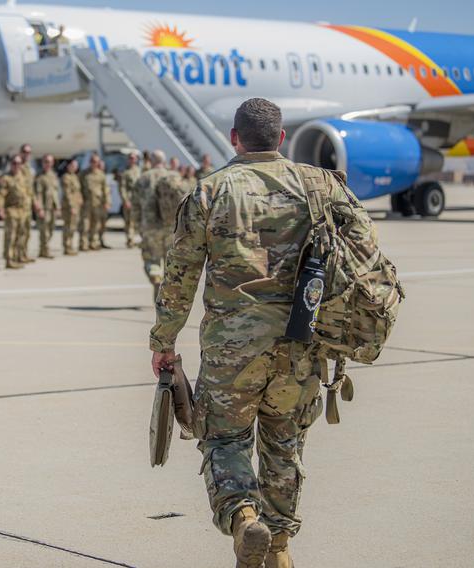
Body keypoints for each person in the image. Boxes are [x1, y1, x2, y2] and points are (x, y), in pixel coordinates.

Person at [149, 98, 375, 568]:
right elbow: (365, 255)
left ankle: (243, 517)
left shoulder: (210, 192)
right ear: (282, 138)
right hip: (300, 344)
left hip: (233, 350)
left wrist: (164, 343)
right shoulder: (320, 185)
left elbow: (180, 277)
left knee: (226, 442)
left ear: (234, 138)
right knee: (284, 444)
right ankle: (279, 549)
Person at [134, 150, 181, 298]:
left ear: (151, 161)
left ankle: (155, 277)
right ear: (164, 160)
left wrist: (137, 227)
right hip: (171, 227)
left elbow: (135, 206)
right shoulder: (174, 177)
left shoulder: (143, 178)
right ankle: (167, 297)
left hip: (150, 226)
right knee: (170, 261)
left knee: (151, 258)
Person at [0, 156, 39, 269]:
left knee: (21, 236)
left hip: (23, 211)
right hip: (12, 211)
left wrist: (35, 203)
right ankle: (9, 260)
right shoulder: (6, 179)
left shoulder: (22, 177)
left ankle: (17, 256)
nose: (17, 165)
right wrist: (0, 209)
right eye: (14, 163)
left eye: (19, 163)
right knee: (11, 237)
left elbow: (29, 192)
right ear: (11, 164)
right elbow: (0, 195)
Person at [79, 154, 110, 251]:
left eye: (96, 161)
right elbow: (78, 188)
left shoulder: (101, 175)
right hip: (86, 203)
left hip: (98, 203)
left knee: (96, 224)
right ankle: (83, 244)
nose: (94, 163)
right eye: (92, 161)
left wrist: (107, 202)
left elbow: (105, 189)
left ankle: (93, 243)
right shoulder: (84, 174)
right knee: (85, 224)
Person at [34, 154, 60, 259]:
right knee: (44, 230)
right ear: (42, 163)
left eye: (49, 162)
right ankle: (44, 251)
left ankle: (44, 249)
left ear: (52, 163)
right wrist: (39, 208)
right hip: (44, 207)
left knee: (51, 229)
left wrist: (58, 207)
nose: (47, 164)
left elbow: (55, 192)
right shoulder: (40, 177)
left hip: (52, 207)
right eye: (45, 161)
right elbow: (38, 194)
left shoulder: (53, 176)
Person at [118, 152, 141, 248]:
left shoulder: (139, 171)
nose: (132, 160)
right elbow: (122, 188)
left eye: (134, 158)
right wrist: (125, 200)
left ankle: (137, 239)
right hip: (130, 199)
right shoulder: (125, 172)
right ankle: (130, 240)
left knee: (138, 221)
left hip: (138, 199)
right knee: (129, 221)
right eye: (131, 158)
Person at [18, 144, 37, 263]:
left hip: (28, 205)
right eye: (25, 152)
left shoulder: (29, 169)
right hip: (18, 205)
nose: (27, 154)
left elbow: (30, 188)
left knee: (26, 232)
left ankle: (23, 254)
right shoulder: (17, 167)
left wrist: (35, 203)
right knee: (19, 232)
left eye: (29, 152)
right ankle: (17, 256)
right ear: (21, 152)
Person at [60, 159, 82, 255]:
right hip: (69, 207)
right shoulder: (66, 177)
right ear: (68, 166)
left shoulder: (75, 177)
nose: (74, 167)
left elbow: (77, 191)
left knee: (73, 227)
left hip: (76, 206)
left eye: (76, 165)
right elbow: (67, 193)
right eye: (73, 165)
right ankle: (67, 246)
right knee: (68, 227)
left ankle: (70, 246)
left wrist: (80, 200)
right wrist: (72, 206)